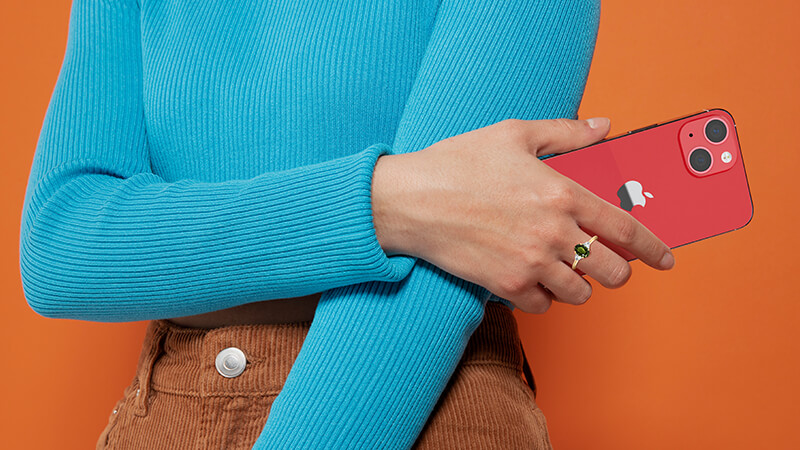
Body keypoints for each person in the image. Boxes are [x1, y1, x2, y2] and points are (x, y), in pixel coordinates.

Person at [19, 0, 674, 448]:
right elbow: (61, 244)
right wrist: (388, 202)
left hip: (426, 406)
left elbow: (441, 281)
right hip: (167, 414)